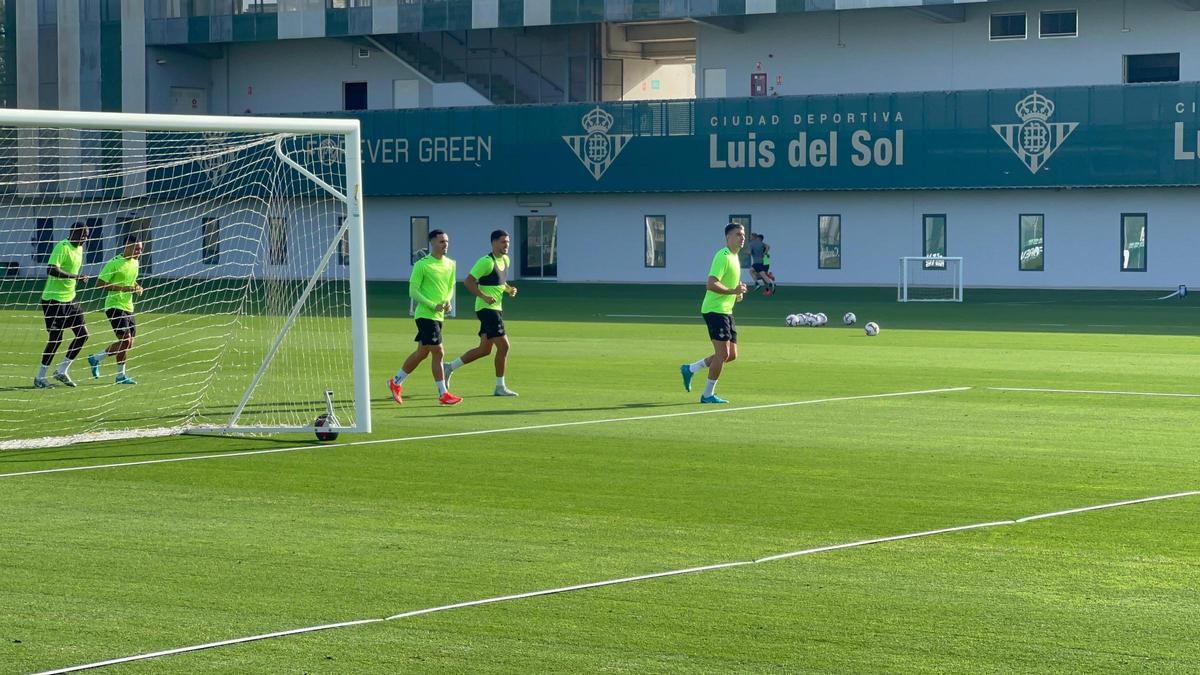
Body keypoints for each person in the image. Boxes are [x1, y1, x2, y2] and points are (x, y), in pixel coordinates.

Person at [388, 229, 461, 406]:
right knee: (438, 351)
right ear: (432, 243)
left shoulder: (451, 264)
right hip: (425, 315)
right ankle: (443, 394)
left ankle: (395, 381)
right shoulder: (422, 264)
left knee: (422, 353)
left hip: (439, 315)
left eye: (447, 241)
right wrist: (431, 304)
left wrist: (448, 302)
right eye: (441, 241)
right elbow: (413, 291)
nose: (445, 245)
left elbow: (450, 286)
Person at [443, 229, 520, 396]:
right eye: (502, 241)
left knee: (484, 349)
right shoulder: (485, 261)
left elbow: (500, 281)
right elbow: (469, 282)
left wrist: (508, 289)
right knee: (504, 346)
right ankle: (500, 387)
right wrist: (484, 296)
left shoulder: (506, 259)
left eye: (508, 242)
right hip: (486, 309)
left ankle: (449, 367)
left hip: (496, 309)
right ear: (493, 243)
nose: (506, 245)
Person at [679, 223, 747, 404]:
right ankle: (707, 395)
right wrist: (733, 291)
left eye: (743, 234)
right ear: (728, 237)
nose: (742, 238)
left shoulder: (735, 257)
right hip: (715, 310)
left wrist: (737, 292)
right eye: (738, 234)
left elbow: (729, 284)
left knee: (731, 355)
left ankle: (690, 369)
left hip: (726, 311)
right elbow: (711, 283)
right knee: (722, 354)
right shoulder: (722, 256)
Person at [35, 222, 91, 388]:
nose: (85, 238)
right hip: (53, 300)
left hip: (70, 299)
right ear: (72, 232)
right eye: (82, 235)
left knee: (83, 334)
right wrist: (75, 277)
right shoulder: (62, 247)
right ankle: (40, 377)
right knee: (56, 339)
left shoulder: (79, 248)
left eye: (87, 235)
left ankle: (62, 370)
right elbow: (51, 269)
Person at [87, 239, 144, 384]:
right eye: (137, 249)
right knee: (125, 340)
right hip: (114, 306)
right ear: (127, 247)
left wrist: (137, 287)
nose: (140, 252)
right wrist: (122, 289)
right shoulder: (114, 262)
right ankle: (97, 359)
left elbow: (131, 281)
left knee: (128, 344)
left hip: (128, 307)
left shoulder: (135, 263)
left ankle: (119, 376)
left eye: (141, 249)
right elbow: (99, 283)